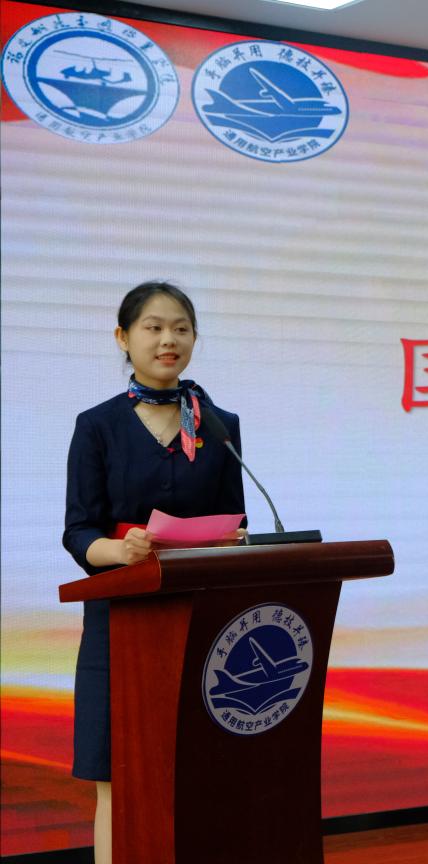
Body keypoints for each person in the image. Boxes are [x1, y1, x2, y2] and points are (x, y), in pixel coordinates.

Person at [62, 281, 246, 863]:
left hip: (198, 620)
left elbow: (234, 519)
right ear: (124, 337)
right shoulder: (97, 426)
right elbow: (78, 531)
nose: (170, 340)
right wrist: (119, 552)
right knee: (116, 774)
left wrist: (233, 542)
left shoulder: (219, 425)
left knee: (198, 768)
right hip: (120, 620)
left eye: (181, 329)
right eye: (154, 327)